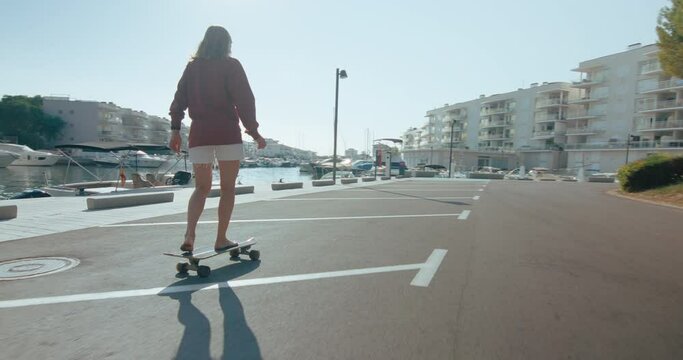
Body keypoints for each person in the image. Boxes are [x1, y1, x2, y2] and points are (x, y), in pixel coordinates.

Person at [169, 25, 266, 253]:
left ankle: (189, 234)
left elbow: (179, 99)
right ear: (227, 44)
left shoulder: (192, 68)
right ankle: (221, 238)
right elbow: (245, 101)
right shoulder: (231, 66)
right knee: (227, 189)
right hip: (227, 135)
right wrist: (254, 132)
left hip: (200, 135)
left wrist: (175, 130)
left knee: (201, 188)